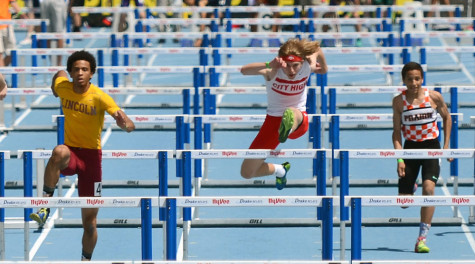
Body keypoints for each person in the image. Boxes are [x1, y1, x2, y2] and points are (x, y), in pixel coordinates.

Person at [29, 50, 136, 261]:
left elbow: (129, 124)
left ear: (91, 74)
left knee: (89, 224)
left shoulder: (99, 97)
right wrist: (53, 87)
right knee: (58, 151)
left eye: (84, 70)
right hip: (72, 154)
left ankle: (85, 259)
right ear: (71, 72)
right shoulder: (63, 87)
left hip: (92, 161)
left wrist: (125, 125)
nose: (80, 73)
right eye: (76, 69)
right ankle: (44, 205)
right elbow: (58, 73)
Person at [239, 38, 327, 190]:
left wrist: (318, 63)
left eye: (295, 66)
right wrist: (269, 64)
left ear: (302, 63)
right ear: (281, 62)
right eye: (287, 66)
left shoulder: (306, 66)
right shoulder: (272, 71)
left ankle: (288, 127)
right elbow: (244, 70)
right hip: (272, 123)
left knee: (291, 112)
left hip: (299, 119)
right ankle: (280, 169)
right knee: (247, 172)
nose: (291, 71)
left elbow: (317, 50)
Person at [392, 61, 452, 253]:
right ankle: (411, 184)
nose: (414, 83)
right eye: (410, 79)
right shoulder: (399, 102)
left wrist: (446, 146)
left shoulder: (434, 97)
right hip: (410, 149)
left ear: (422, 79)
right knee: (404, 203)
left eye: (417, 79)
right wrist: (400, 159)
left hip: (431, 147)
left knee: (429, 189)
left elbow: (447, 118)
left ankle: (421, 239)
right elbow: (396, 133)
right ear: (404, 80)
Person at [0, 0, 28, 66]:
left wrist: (21, 13)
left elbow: (13, 1)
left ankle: (2, 73)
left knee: (13, 53)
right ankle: (2, 75)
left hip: (7, 24)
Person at [40, 0, 67, 65]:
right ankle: (52, 62)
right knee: (47, 33)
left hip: (57, 2)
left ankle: (59, 63)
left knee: (59, 33)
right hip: (45, 2)